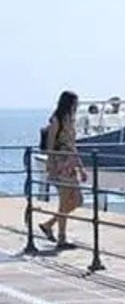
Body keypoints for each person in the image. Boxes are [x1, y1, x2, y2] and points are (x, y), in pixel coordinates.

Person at [38, 90, 87, 246]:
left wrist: (81, 167)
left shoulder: (70, 121)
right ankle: (61, 237)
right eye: (75, 103)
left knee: (77, 200)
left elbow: (73, 146)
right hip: (60, 164)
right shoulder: (57, 120)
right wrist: (51, 166)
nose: (77, 106)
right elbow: (51, 144)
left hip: (70, 164)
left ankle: (49, 225)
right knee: (65, 200)